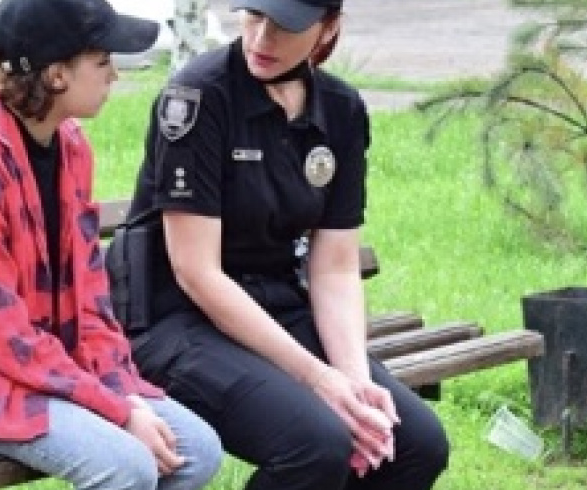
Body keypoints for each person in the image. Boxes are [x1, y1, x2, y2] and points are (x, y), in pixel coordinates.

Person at [0, 0, 223, 488]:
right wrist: (116, 411)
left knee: (197, 451)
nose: (114, 76)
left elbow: (90, 298)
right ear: (57, 76)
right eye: (102, 62)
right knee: (126, 466)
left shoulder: (71, 146)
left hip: (36, 369)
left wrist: (121, 389)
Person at [120, 0, 450, 488]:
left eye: (284, 26)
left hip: (276, 308)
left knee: (415, 444)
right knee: (314, 443)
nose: (260, 39)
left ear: (327, 28)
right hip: (176, 320)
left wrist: (354, 379)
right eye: (254, 17)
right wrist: (317, 378)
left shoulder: (339, 110)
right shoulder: (199, 96)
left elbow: (335, 266)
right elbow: (197, 273)